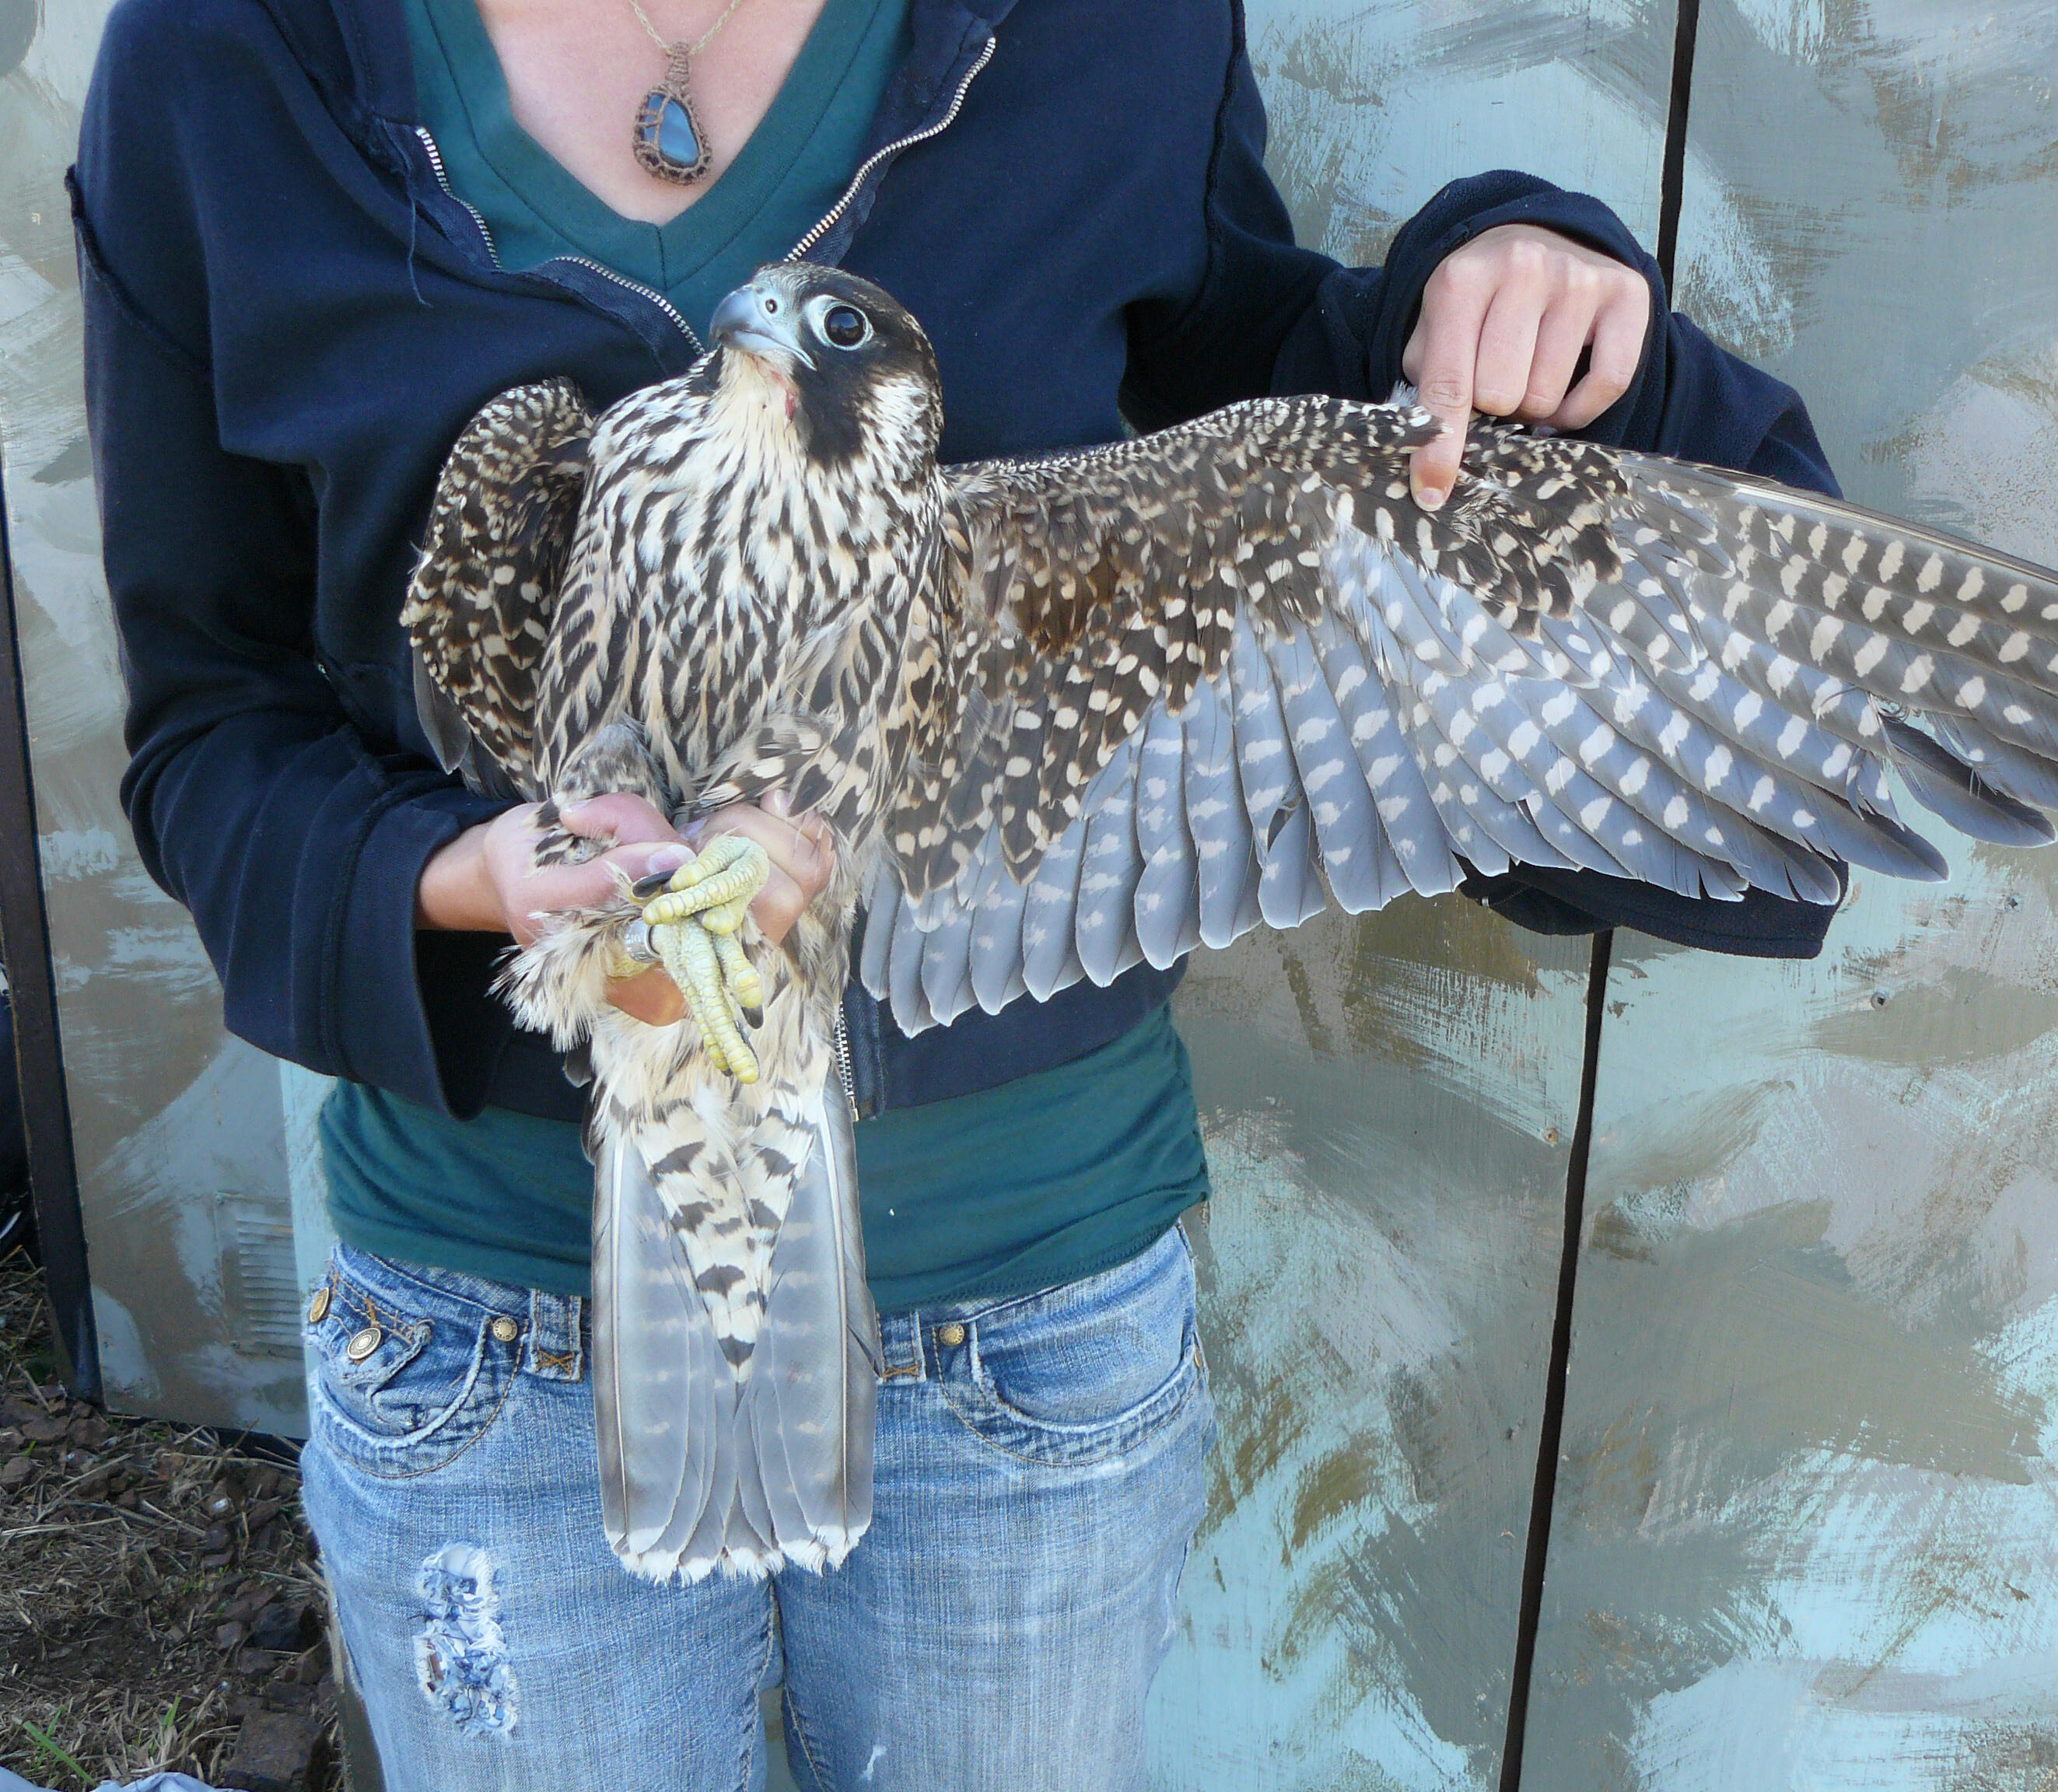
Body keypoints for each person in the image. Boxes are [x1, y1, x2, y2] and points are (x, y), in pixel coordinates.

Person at [72, 0, 1841, 1784]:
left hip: (1019, 1316)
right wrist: (465, 874)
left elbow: (1300, 382)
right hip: (501, 1318)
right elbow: (215, 723)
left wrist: (1520, 282)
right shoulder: (237, 52)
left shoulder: (1099, 32)